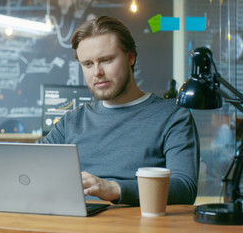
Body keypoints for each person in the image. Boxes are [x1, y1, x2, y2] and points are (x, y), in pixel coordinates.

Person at [42, 16, 199, 206]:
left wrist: (114, 189)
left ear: (130, 57)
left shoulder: (173, 117)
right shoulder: (71, 122)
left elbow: (185, 188)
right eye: (88, 64)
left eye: (106, 60)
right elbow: (32, 170)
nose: (97, 72)